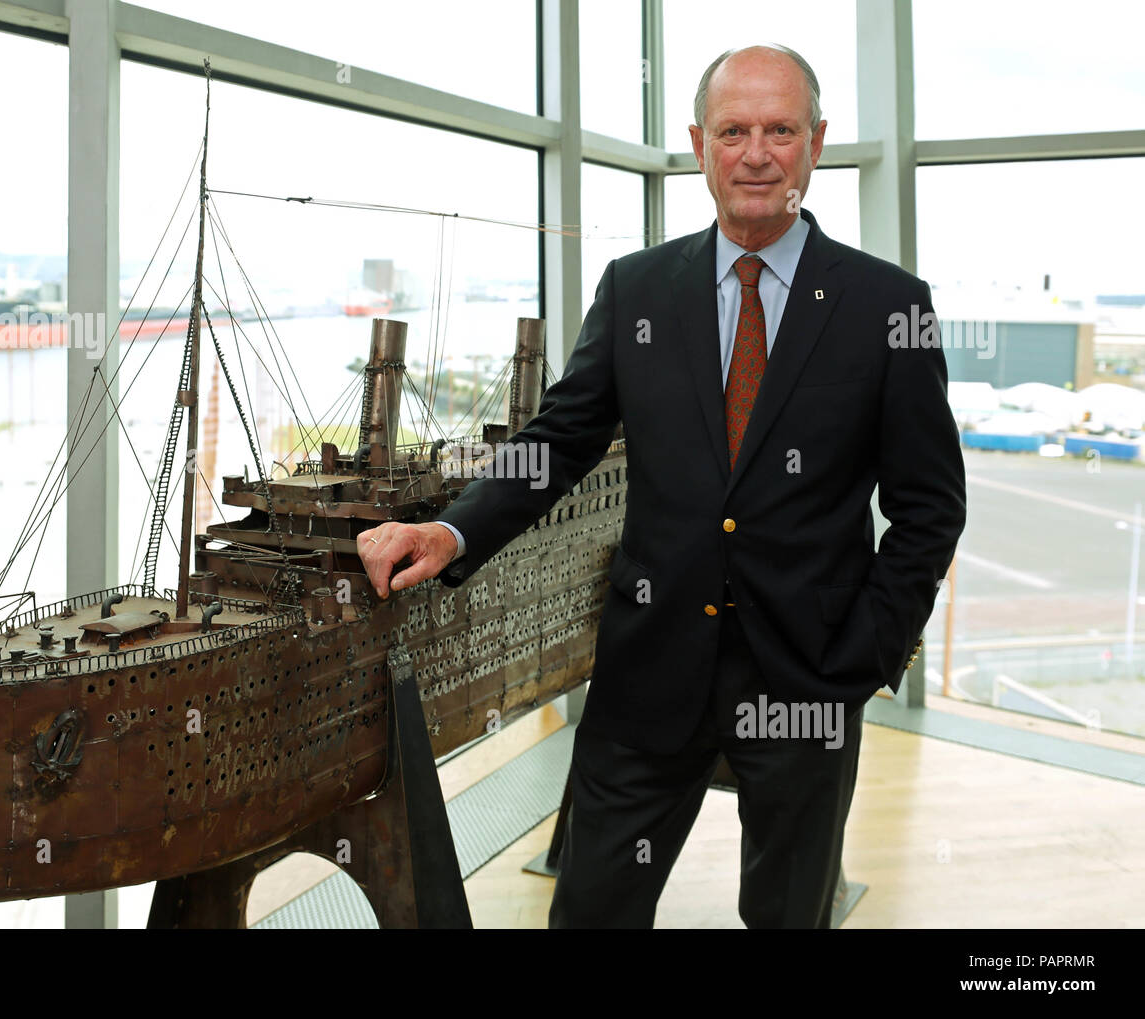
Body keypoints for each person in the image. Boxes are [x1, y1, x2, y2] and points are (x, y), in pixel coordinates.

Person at [356, 43, 966, 928]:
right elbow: (560, 438)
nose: (757, 153)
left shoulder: (888, 306)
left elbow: (930, 507)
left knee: (789, 916)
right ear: (699, 144)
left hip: (809, 681)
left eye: (780, 130)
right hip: (648, 678)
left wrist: (866, 656)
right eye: (734, 131)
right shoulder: (637, 288)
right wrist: (451, 533)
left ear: (817, 143)